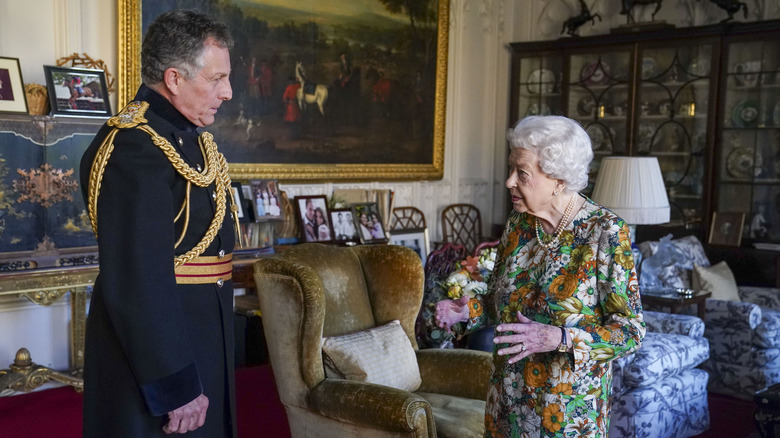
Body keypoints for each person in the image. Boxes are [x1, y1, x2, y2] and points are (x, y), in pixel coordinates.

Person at [78, 10, 238, 437]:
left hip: (200, 338)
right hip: (157, 360)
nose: (228, 91)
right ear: (174, 78)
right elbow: (137, 279)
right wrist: (175, 383)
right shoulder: (135, 147)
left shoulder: (189, 139)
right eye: (217, 78)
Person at [436, 115, 645, 437]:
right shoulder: (519, 225)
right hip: (506, 400)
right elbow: (498, 300)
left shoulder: (605, 232)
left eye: (521, 173)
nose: (509, 182)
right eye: (511, 170)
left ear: (559, 180)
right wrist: (467, 310)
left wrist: (560, 338)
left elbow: (630, 331)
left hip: (566, 410)